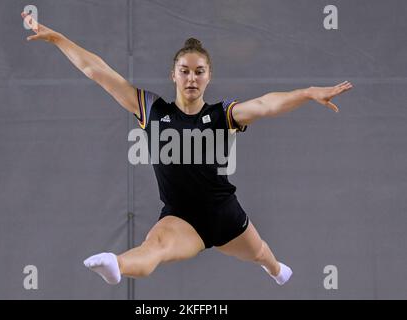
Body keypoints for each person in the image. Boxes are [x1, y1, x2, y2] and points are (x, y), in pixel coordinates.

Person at [21, 12, 353, 286]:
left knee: (261, 253)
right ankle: (115, 263)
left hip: (225, 213)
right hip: (182, 218)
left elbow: (267, 104)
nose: (191, 78)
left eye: (199, 72)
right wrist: (56, 38)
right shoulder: (153, 111)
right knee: (155, 249)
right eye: (185, 71)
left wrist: (309, 92)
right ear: (174, 75)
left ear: (208, 77)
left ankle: (276, 269)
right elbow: (98, 72)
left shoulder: (222, 114)